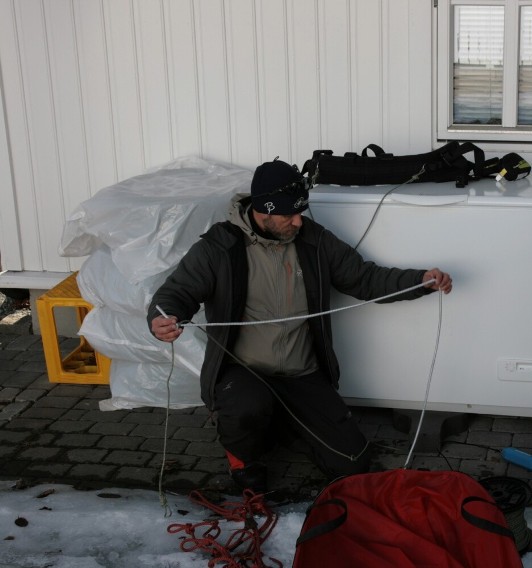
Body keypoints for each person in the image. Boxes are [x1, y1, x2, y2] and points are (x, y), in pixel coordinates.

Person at [147, 157, 452, 493]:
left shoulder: (313, 240)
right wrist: (163, 318)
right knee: (245, 407)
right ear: (263, 212)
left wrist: (420, 281)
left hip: (302, 372)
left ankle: (284, 423)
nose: (298, 221)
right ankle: (244, 461)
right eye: (288, 214)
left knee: (351, 463)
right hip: (244, 372)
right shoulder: (220, 246)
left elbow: (365, 279)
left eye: (300, 212)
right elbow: (176, 293)